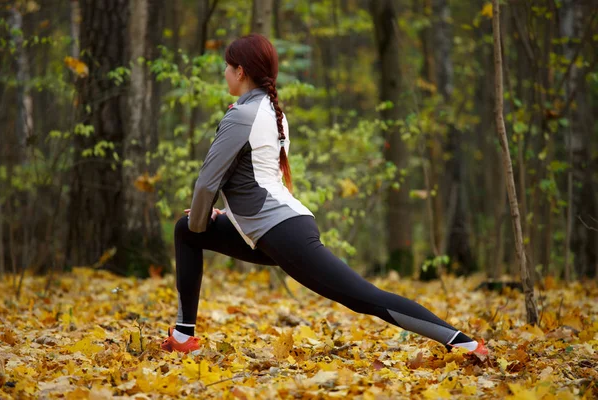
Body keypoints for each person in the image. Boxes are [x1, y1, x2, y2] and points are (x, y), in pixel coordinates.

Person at [160, 34, 488, 356]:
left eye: (227, 67)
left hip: (282, 232)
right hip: (276, 227)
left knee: (363, 297)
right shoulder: (270, 112)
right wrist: (218, 219)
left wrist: (200, 223)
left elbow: (207, 182)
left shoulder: (241, 115)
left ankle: (462, 341)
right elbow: (254, 180)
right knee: (184, 231)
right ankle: (183, 334)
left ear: (240, 71)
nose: (224, 73)